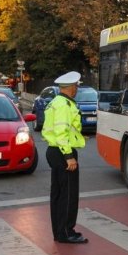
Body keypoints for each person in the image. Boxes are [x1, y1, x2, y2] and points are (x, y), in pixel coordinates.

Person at [42, 71, 88, 244]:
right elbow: (61, 132)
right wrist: (69, 156)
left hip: (55, 150)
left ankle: (60, 231)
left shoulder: (57, 102)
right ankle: (66, 232)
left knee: (59, 194)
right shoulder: (64, 105)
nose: (77, 89)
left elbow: (64, 130)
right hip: (62, 152)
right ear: (70, 88)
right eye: (76, 86)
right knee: (68, 195)